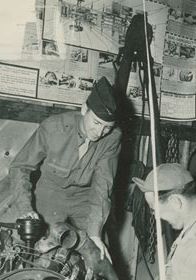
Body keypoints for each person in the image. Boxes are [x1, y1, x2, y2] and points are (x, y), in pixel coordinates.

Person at [9, 77, 121, 261]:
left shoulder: (112, 138)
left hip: (84, 199)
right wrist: (25, 208)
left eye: (107, 127)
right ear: (84, 109)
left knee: (96, 255)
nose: (100, 133)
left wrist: (95, 234)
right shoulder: (54, 128)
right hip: (50, 195)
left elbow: (103, 185)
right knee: (39, 255)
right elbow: (20, 167)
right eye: (96, 123)